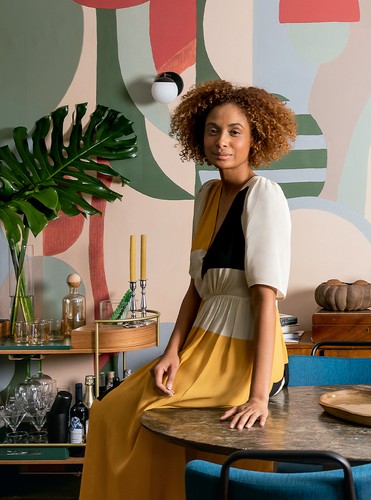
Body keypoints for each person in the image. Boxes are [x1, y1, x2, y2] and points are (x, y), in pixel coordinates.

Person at [80, 80, 297, 499]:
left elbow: (264, 299)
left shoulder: (264, 196)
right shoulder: (208, 195)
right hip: (202, 343)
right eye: (213, 130)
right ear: (200, 136)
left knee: (147, 416)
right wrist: (172, 351)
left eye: (235, 131)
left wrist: (258, 397)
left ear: (255, 138)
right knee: (109, 412)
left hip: (242, 352)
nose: (223, 141)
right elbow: (196, 289)